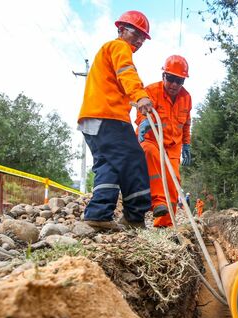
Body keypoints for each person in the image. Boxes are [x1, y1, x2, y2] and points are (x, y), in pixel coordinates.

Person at [77, 10, 153, 230]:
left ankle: (98, 214)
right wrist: (140, 96)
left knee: (109, 164)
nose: (139, 41)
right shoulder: (119, 47)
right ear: (121, 30)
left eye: (142, 37)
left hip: (92, 119)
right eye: (135, 34)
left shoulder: (107, 51)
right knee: (134, 159)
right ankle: (134, 217)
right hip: (108, 117)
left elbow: (117, 81)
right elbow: (127, 72)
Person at [136, 55, 193, 227]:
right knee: (149, 153)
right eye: (171, 79)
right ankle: (158, 201)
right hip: (152, 140)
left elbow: (186, 123)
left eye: (179, 80)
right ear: (164, 76)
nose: (175, 84)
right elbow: (139, 113)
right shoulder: (151, 91)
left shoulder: (186, 97)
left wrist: (187, 143)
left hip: (173, 145)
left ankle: (164, 224)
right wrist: (143, 122)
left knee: (173, 181)